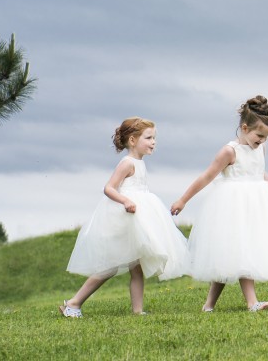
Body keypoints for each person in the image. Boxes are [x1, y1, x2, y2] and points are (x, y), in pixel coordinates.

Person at [171, 96, 268, 312]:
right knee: (241, 252)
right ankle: (252, 303)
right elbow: (207, 176)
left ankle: (208, 305)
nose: (262, 141)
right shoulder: (229, 151)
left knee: (231, 257)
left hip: (255, 208)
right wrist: (183, 200)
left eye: (266, 137)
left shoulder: (260, 149)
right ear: (245, 128)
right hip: (233, 209)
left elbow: (259, 172)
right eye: (259, 136)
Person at [59, 117, 188, 318]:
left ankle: (137, 311)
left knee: (136, 268)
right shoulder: (127, 163)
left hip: (136, 221)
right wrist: (125, 201)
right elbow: (109, 188)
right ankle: (73, 303)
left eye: (154, 138)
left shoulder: (140, 163)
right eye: (148, 138)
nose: (153, 142)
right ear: (133, 140)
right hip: (124, 219)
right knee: (110, 267)